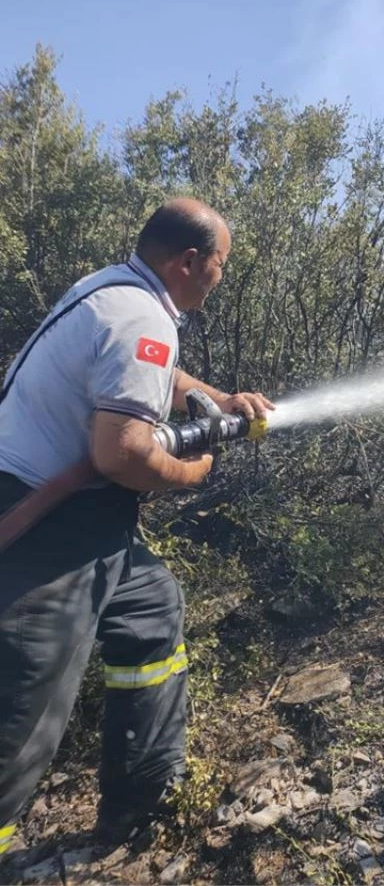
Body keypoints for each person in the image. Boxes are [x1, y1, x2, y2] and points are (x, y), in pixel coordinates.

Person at [0, 198, 273, 853]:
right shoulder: (141, 317)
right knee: (26, 700)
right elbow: (120, 454)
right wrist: (194, 471)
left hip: (79, 516)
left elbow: (156, 372)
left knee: (152, 611)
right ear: (189, 261)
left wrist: (222, 401)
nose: (220, 274)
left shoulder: (115, 291)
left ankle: (144, 794)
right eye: (220, 263)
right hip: (46, 522)